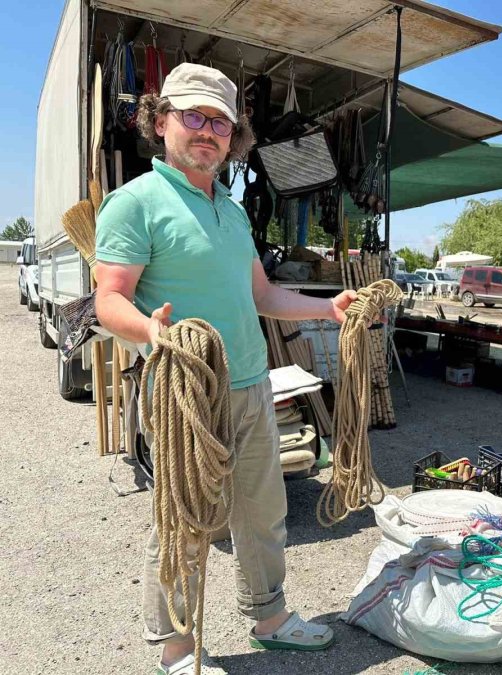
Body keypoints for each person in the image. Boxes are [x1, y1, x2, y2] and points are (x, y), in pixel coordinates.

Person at [94, 64, 356, 675]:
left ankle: (269, 618)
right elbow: (107, 299)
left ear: (232, 136)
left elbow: (262, 296)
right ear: (161, 123)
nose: (207, 130)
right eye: (193, 116)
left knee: (262, 512)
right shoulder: (134, 203)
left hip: (250, 384)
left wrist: (329, 308)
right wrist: (153, 331)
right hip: (185, 392)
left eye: (220, 122)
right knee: (183, 520)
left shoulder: (235, 213)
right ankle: (178, 649)